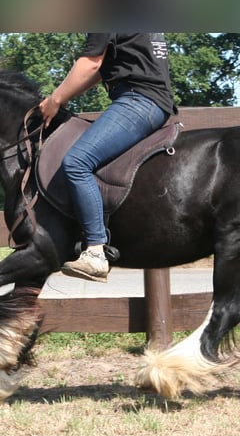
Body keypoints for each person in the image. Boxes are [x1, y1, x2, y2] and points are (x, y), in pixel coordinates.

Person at [39, 33, 176, 282]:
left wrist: (55, 100)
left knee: (77, 163)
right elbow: (100, 70)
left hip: (138, 99)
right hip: (149, 98)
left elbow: (91, 62)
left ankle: (95, 252)